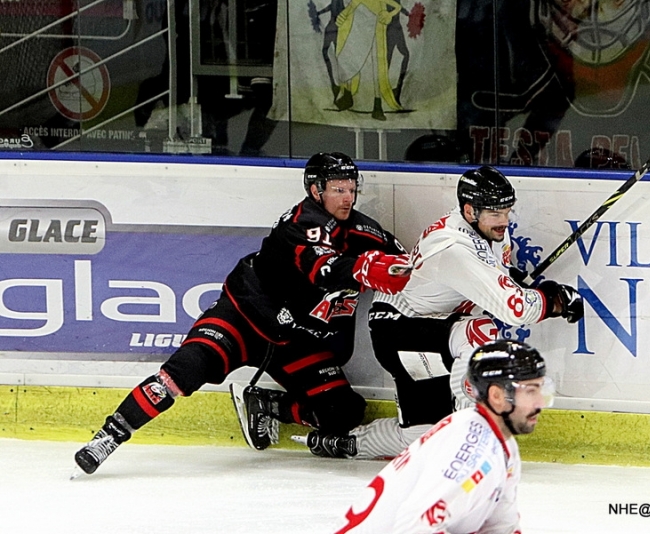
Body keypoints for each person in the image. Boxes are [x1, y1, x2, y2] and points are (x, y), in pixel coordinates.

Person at [73, 152, 410, 476]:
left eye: (352, 189)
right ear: (315, 191)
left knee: (343, 412)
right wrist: (364, 268)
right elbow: (322, 267)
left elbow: (405, 260)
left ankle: (268, 405)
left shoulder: (363, 231)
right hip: (243, 319)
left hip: (292, 340)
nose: (348, 197)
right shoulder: (300, 224)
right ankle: (108, 437)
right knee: (178, 376)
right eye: (338, 189)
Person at [295, 165, 581, 460]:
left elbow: (494, 278)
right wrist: (554, 300)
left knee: (423, 437)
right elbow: (514, 309)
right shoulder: (451, 246)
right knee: (480, 331)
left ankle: (346, 443)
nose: (504, 221)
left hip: (428, 330)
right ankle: (468, 436)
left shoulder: (486, 231)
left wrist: (528, 287)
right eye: (496, 213)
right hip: (398, 329)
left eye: (507, 211)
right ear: (470, 211)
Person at [332, 339, 553, 533]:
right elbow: (415, 527)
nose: (540, 403)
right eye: (530, 391)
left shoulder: (502, 444)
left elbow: (501, 526)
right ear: (496, 395)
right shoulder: (471, 451)